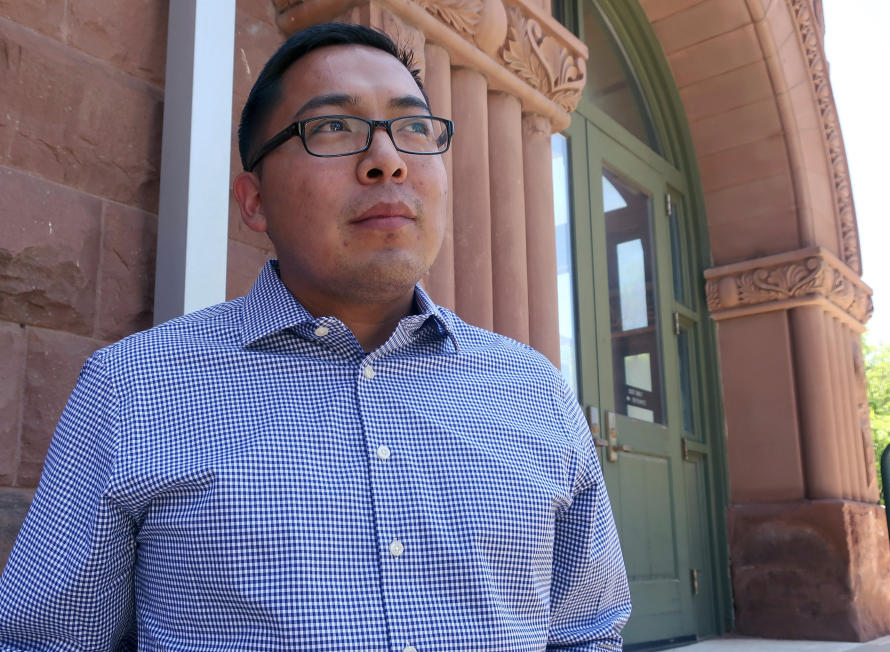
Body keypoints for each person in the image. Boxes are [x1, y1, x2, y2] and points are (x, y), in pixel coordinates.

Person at [0, 23, 630, 651]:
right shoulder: (131, 391)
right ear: (254, 202)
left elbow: (588, 634)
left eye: (413, 128)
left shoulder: (534, 392)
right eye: (332, 128)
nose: (387, 159)